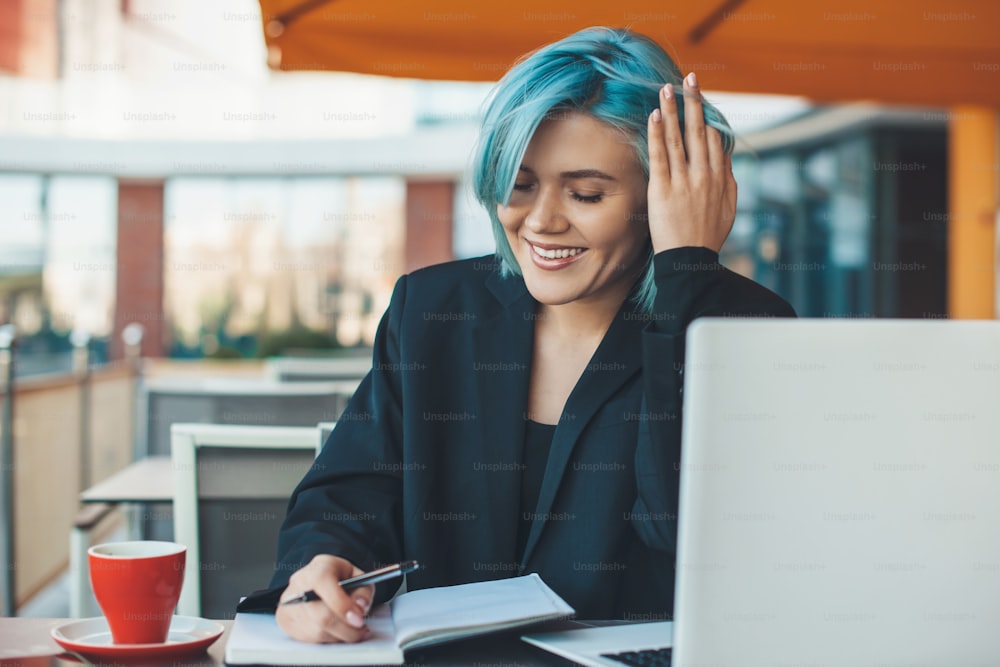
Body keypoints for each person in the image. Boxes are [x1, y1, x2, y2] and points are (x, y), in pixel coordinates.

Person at [243, 26, 795, 643]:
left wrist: (684, 283)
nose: (541, 222)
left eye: (586, 193)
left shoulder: (744, 327)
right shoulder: (432, 311)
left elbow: (691, 539)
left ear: (665, 192)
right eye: (519, 184)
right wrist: (320, 562)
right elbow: (349, 491)